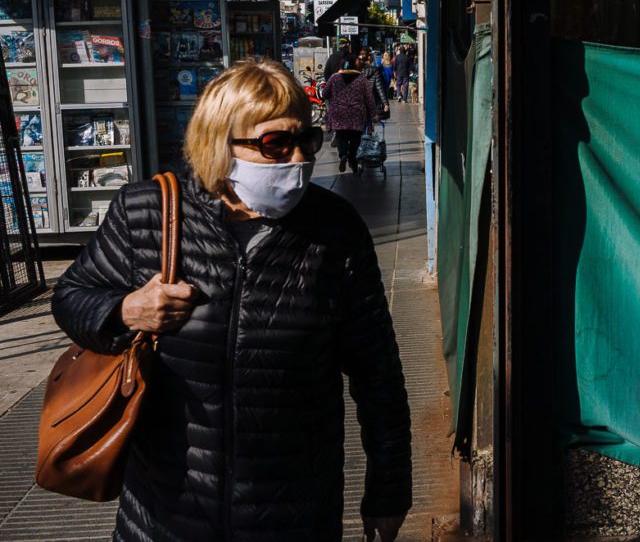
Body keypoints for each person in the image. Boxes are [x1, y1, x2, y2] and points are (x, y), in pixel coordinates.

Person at [51, 60, 411, 542]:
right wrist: (123, 311)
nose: (298, 159)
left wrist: (388, 489)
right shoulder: (147, 213)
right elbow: (72, 297)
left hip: (293, 514)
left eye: (307, 140)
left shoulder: (335, 229)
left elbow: (378, 372)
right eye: (275, 144)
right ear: (219, 142)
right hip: (163, 514)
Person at [324, 67, 379, 173]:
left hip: (338, 113)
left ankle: (343, 155)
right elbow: (369, 98)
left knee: (341, 136)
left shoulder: (334, 78)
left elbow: (324, 93)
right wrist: (373, 114)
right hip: (356, 113)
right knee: (355, 137)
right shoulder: (362, 79)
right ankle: (351, 157)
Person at [358, 47, 390, 121]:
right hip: (371, 101)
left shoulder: (356, 70)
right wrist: (385, 103)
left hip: (358, 101)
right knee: (369, 120)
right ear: (369, 58)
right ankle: (368, 130)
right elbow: (379, 87)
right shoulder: (375, 70)